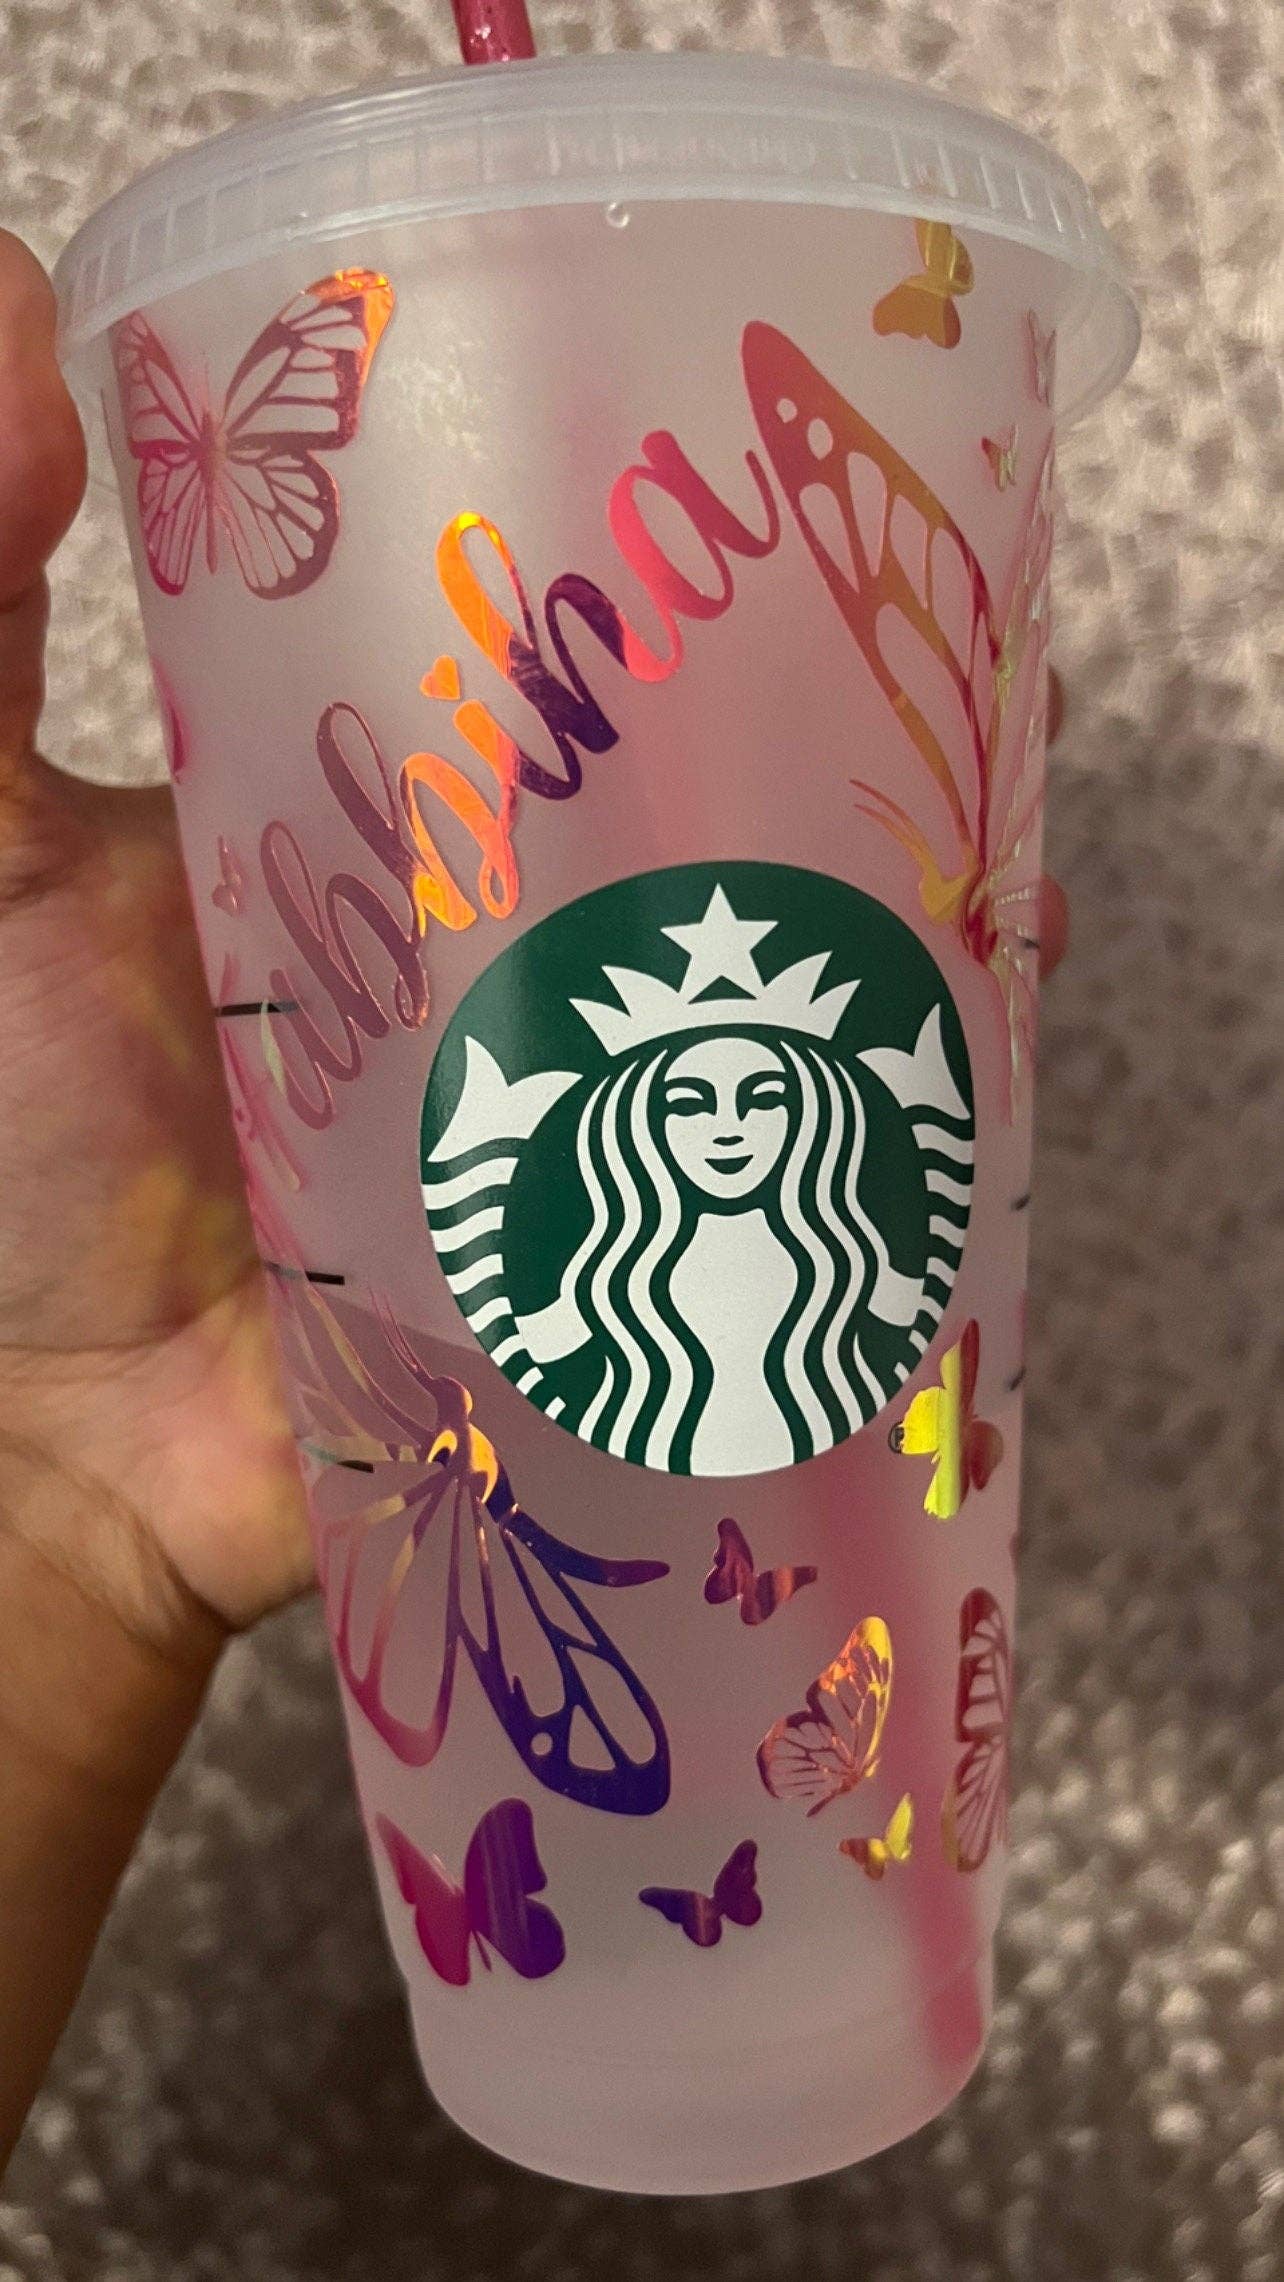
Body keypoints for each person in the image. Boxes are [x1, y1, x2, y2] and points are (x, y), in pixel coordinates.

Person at [0, 228, 1068, 2170]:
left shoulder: (833, 1280)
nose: (730, 1119)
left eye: (770, 1084)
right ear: (629, 1122)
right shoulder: (599, 1301)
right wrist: (49, 1491)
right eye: (692, 1090)